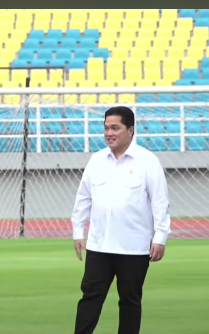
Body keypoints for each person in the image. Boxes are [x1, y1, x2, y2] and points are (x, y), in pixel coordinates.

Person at [71, 106, 171, 334]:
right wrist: (78, 231)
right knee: (90, 299)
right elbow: (83, 198)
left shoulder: (147, 161)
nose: (109, 133)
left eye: (115, 127)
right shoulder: (96, 160)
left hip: (134, 248)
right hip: (99, 247)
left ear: (131, 130)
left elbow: (160, 202)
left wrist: (160, 238)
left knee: (130, 302)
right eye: (106, 128)